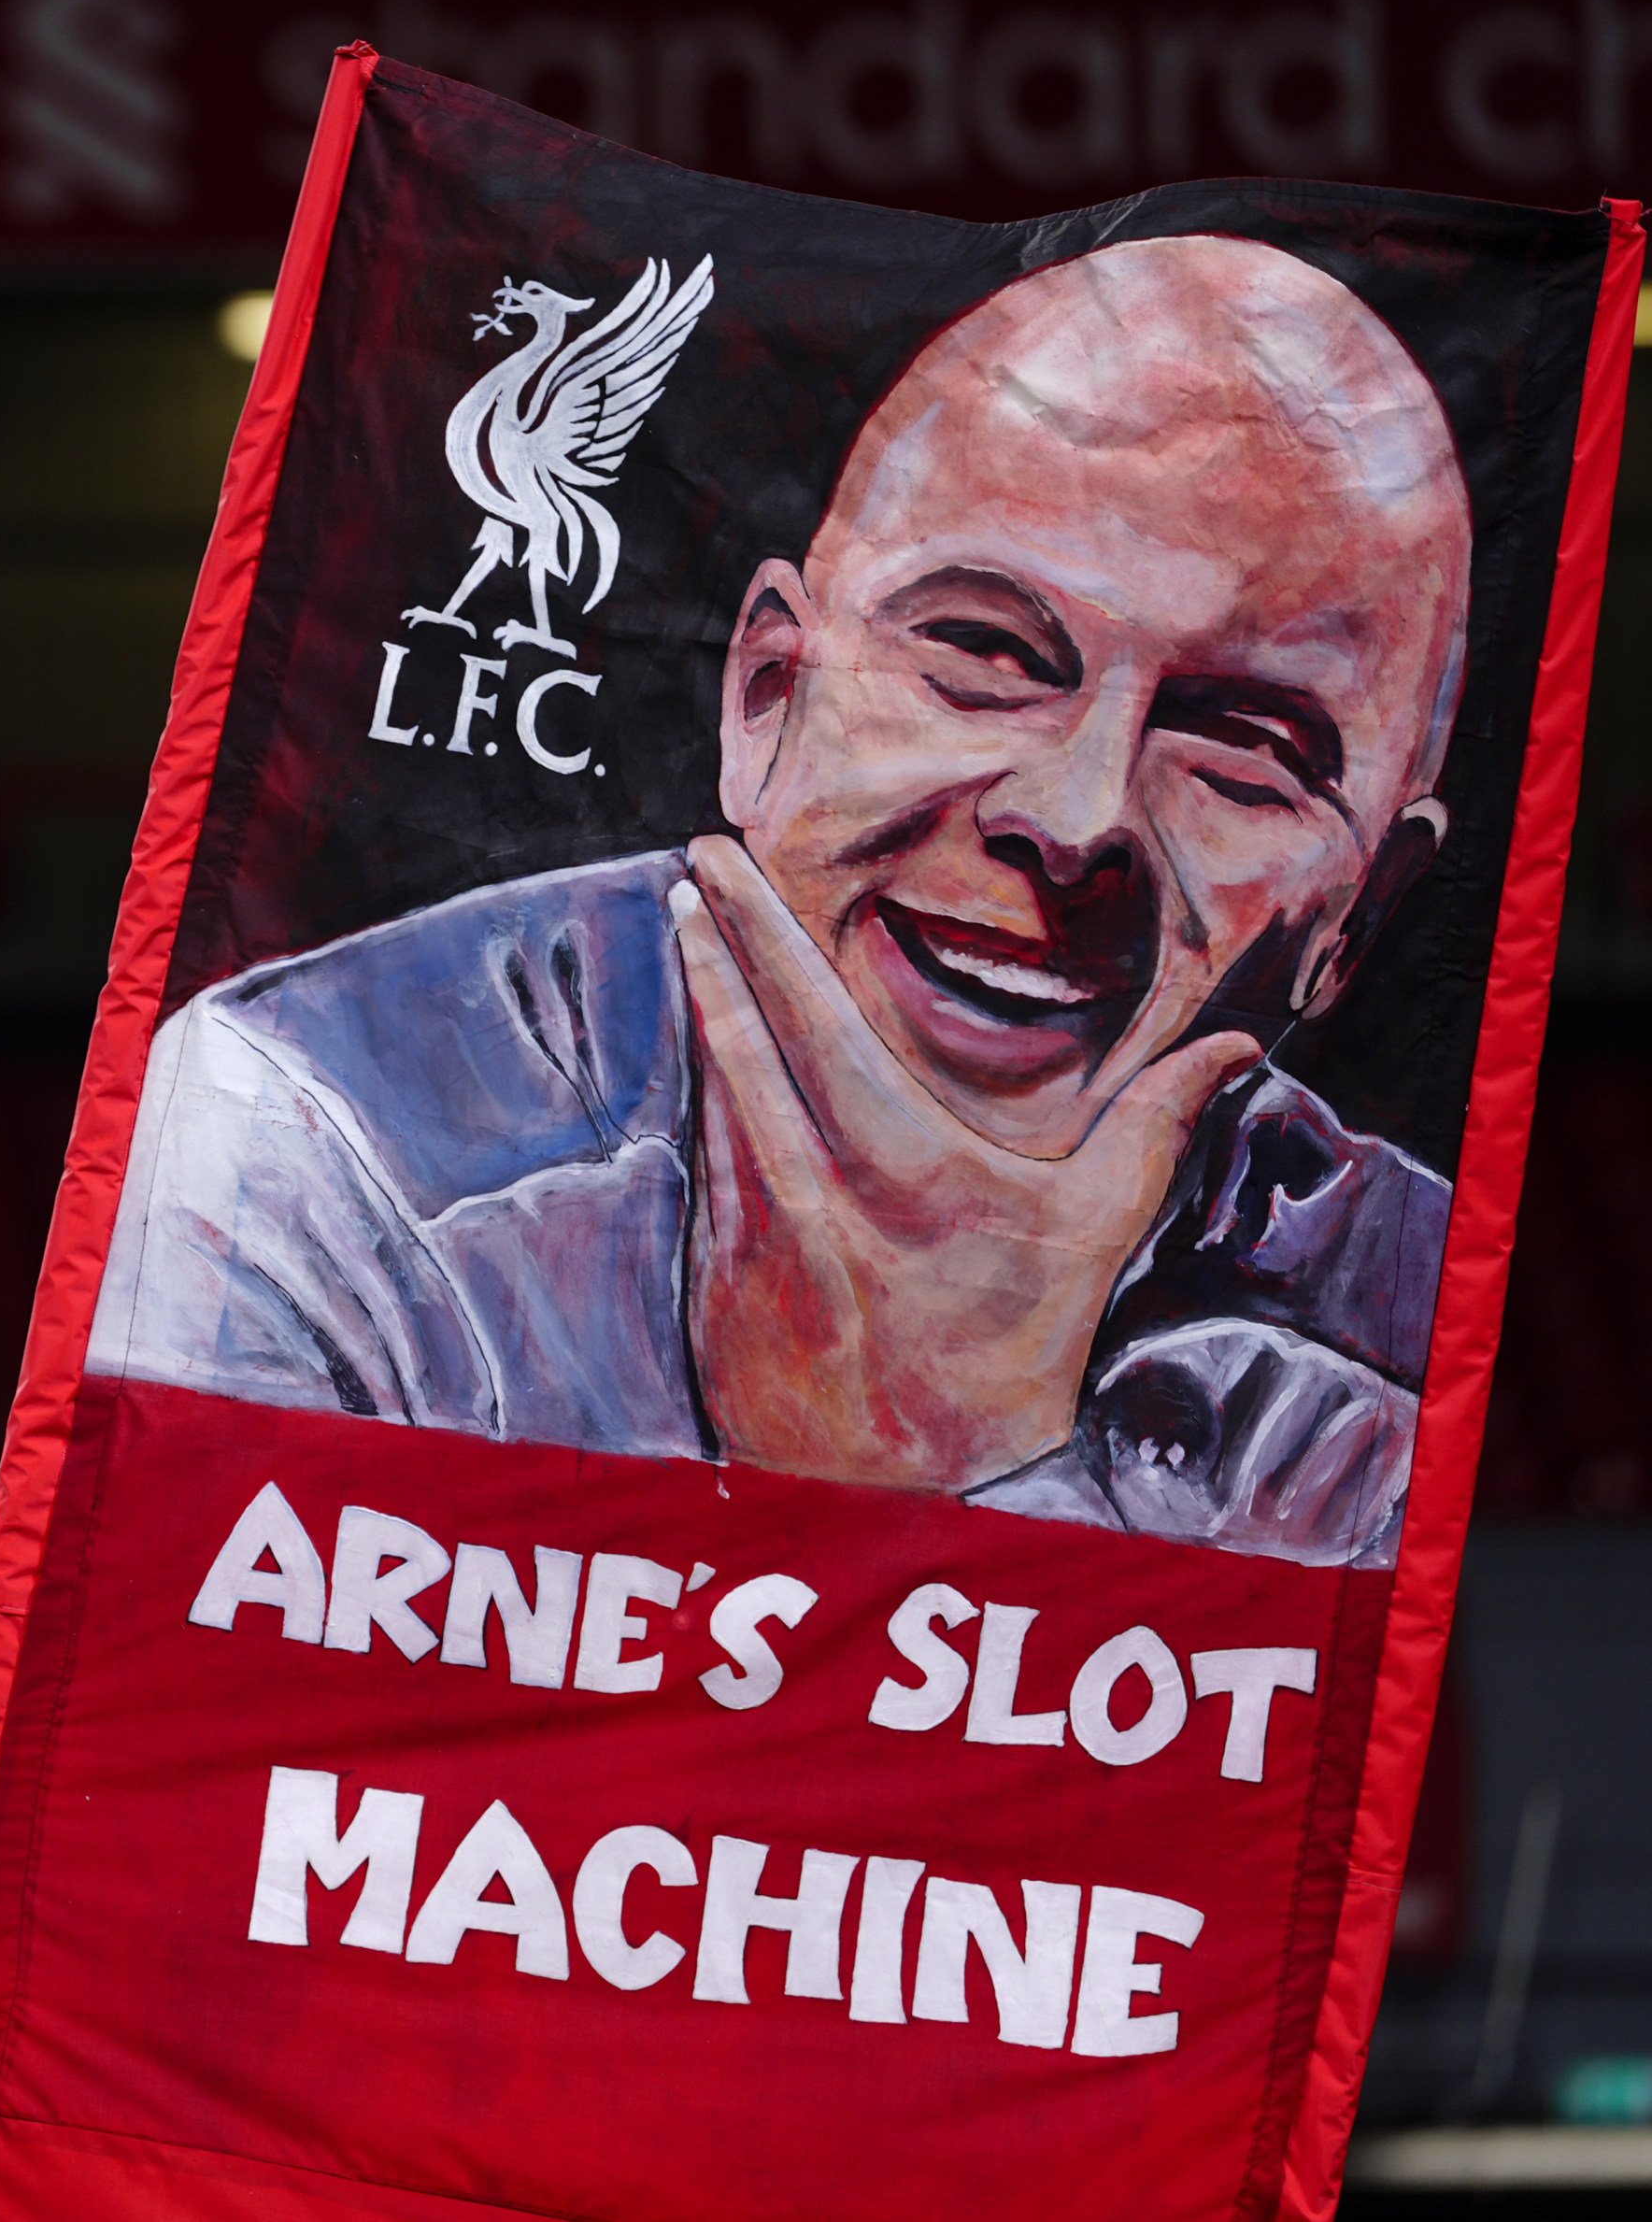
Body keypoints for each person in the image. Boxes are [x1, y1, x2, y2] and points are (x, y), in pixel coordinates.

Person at [93, 235, 1470, 1566]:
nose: (1070, 820)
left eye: (1243, 748)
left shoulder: (1407, 1318)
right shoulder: (314, 1139)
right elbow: (214, 1767)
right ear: (764, 699)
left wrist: (970, 1454)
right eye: (982, 651)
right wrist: (867, 1473)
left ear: (1359, 907)